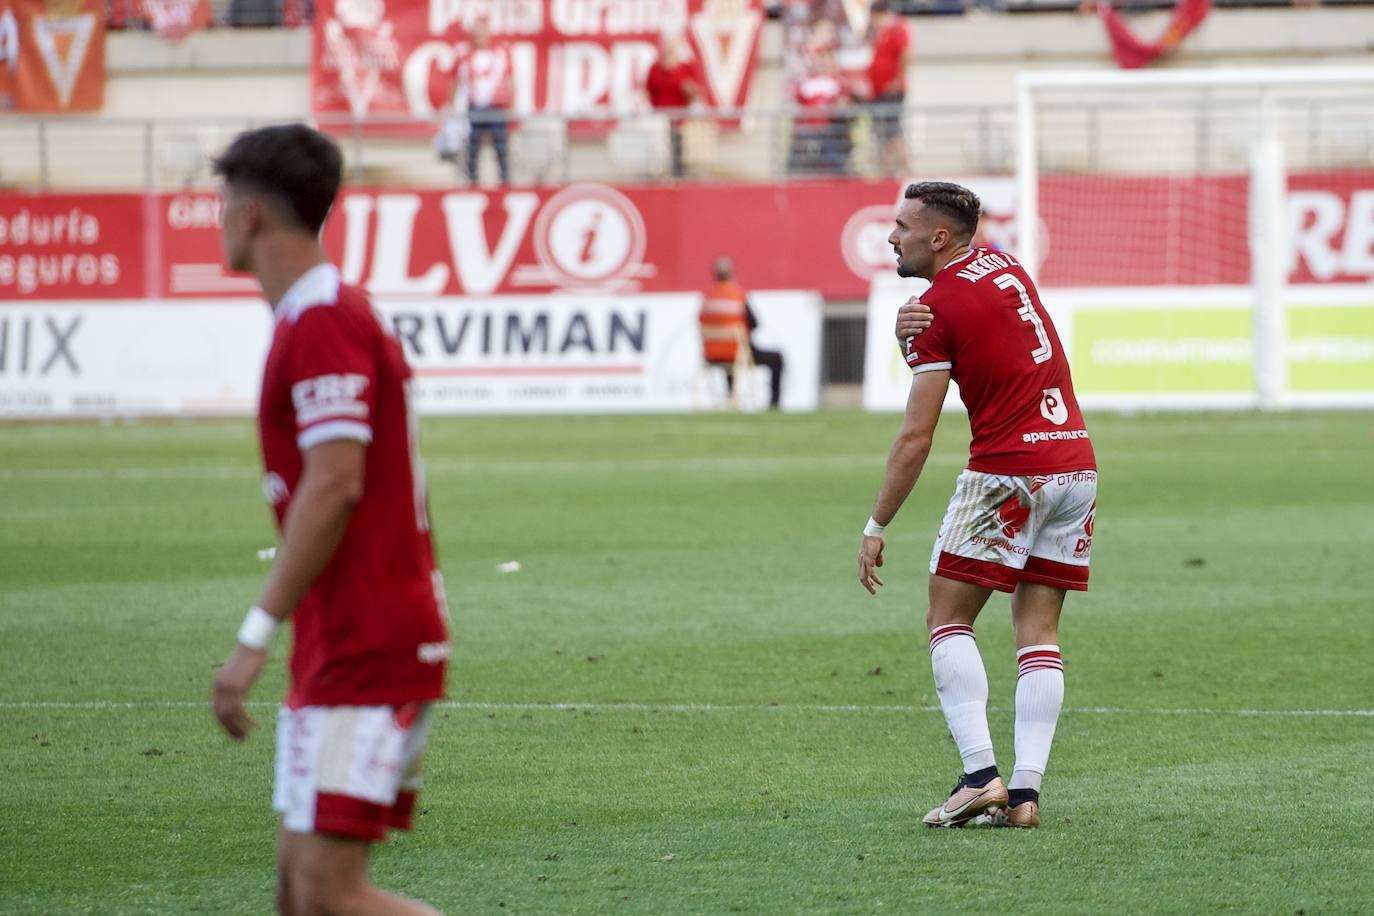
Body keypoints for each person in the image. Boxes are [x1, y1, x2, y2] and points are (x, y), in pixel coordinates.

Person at [209, 124, 450, 914]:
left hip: (368, 638)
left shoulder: (325, 319)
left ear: (250, 215)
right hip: (336, 641)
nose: (216, 216)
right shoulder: (314, 316)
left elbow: (335, 482)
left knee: (326, 893)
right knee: (298, 894)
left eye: (221, 200)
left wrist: (253, 635)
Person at [856, 181, 1096, 830]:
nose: (891, 236)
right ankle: (1024, 796)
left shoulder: (934, 312)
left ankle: (979, 776)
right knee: (1038, 633)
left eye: (903, 226)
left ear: (937, 237)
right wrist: (913, 328)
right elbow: (969, 304)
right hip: (1074, 465)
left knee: (947, 620)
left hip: (1008, 472)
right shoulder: (1006, 265)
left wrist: (877, 524)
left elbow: (916, 436)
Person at [700, 256, 785, 410]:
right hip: (737, 352)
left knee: (731, 355)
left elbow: (700, 322)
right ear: (732, 273)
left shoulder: (707, 298)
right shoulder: (737, 295)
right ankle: (774, 403)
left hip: (711, 355)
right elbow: (754, 323)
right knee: (776, 358)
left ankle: (731, 396)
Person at [455, 17, 512, 185]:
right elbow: (457, 81)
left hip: (496, 107)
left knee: (500, 144)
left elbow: (509, 80)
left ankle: (504, 180)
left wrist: (510, 103)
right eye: (477, 34)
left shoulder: (498, 55)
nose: (480, 38)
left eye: (483, 34)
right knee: (473, 146)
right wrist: (452, 104)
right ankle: (472, 180)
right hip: (475, 107)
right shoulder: (466, 58)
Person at [643, 32, 704, 179]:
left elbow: (698, 93)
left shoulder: (686, 68)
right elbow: (648, 91)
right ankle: (658, 175)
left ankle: (678, 174)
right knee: (659, 151)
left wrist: (689, 89)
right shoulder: (655, 69)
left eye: (672, 47)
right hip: (659, 119)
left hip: (680, 119)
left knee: (678, 149)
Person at [864, 0, 913, 176]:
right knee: (882, 133)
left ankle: (904, 169)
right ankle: (887, 171)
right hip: (878, 92)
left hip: (891, 91)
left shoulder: (898, 28)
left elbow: (906, 53)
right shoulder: (878, 33)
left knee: (893, 132)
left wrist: (897, 81)